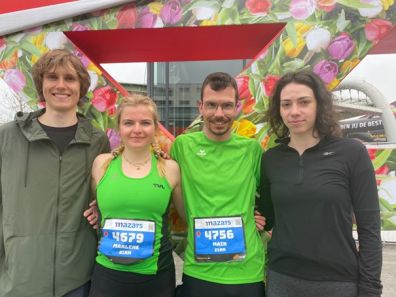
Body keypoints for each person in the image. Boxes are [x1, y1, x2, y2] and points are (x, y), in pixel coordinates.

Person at [259, 70, 382, 297]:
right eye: (286, 104)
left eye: (303, 102)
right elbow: (268, 217)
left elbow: (370, 229)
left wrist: (370, 289)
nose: (294, 111)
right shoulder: (271, 159)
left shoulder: (351, 153)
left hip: (337, 282)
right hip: (281, 279)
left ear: (319, 105)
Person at [0, 49, 110, 297]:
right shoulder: (7, 137)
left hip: (78, 279)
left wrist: (99, 209)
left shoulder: (97, 141)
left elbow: (107, 197)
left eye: (70, 78)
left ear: (81, 87)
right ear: (41, 84)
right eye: (52, 77)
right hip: (19, 279)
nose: (61, 85)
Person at [171, 72, 265, 297]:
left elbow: (276, 193)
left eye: (227, 106)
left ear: (237, 108)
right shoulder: (182, 147)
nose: (219, 114)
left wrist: (262, 217)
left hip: (247, 272)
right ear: (200, 107)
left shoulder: (252, 150)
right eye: (212, 105)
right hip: (200, 270)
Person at [88, 94, 184, 297]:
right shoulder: (101, 165)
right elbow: (96, 206)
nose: (137, 130)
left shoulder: (170, 169)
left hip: (156, 277)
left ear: (156, 127)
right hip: (108, 277)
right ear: (119, 127)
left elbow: (186, 216)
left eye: (145, 123)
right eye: (129, 123)